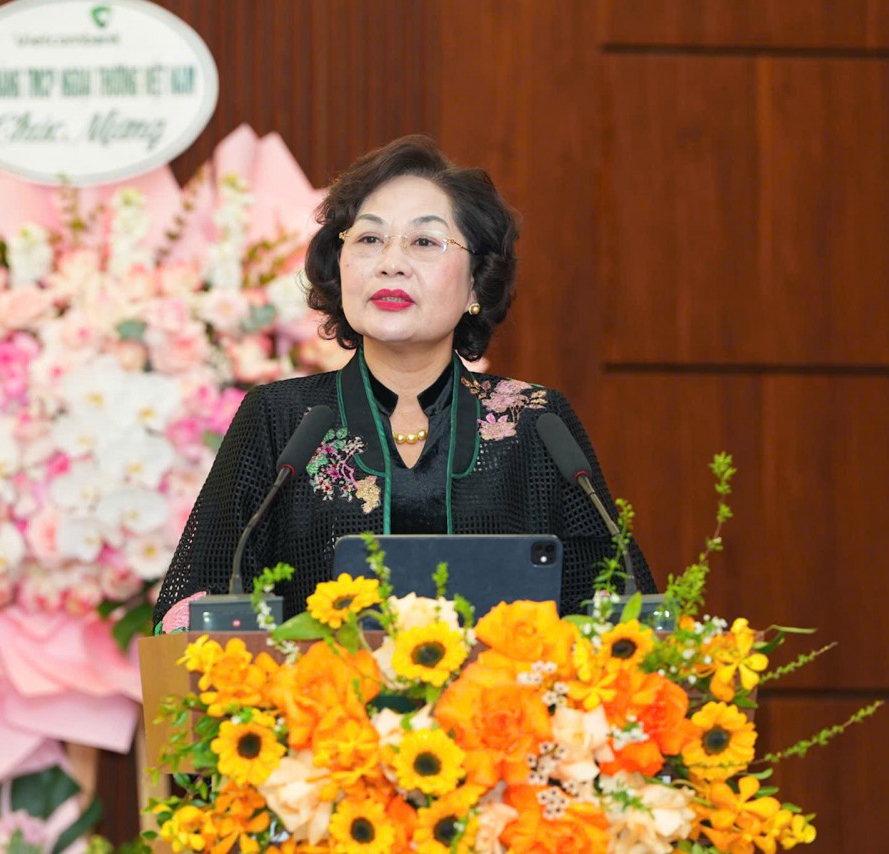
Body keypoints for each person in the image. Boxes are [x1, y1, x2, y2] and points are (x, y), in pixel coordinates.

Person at [153, 135, 653, 627]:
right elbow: (193, 608)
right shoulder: (281, 419)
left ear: (475, 283)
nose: (391, 263)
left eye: (424, 242)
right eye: (369, 239)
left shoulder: (535, 423)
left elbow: (621, 610)